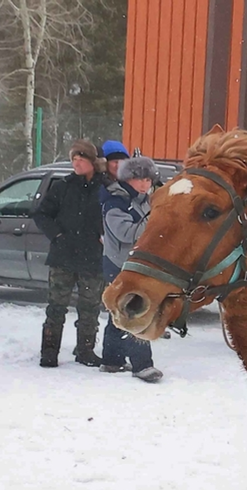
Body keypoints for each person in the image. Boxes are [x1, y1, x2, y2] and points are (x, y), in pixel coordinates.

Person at [33, 139, 107, 368]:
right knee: (56, 307)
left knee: (90, 308)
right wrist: (57, 236)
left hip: (92, 258)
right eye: (73, 159)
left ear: (92, 162)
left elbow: (113, 216)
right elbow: (41, 214)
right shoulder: (62, 186)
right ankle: (49, 351)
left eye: (81, 159)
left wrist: (104, 235)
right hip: (62, 257)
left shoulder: (105, 188)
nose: (76, 163)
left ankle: (85, 350)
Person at [99, 155, 162, 382]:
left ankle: (112, 360)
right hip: (119, 263)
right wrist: (155, 220)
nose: (145, 185)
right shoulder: (115, 201)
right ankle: (142, 365)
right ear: (128, 179)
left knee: (120, 312)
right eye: (140, 180)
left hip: (136, 262)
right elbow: (126, 233)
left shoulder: (144, 199)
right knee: (135, 310)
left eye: (148, 180)